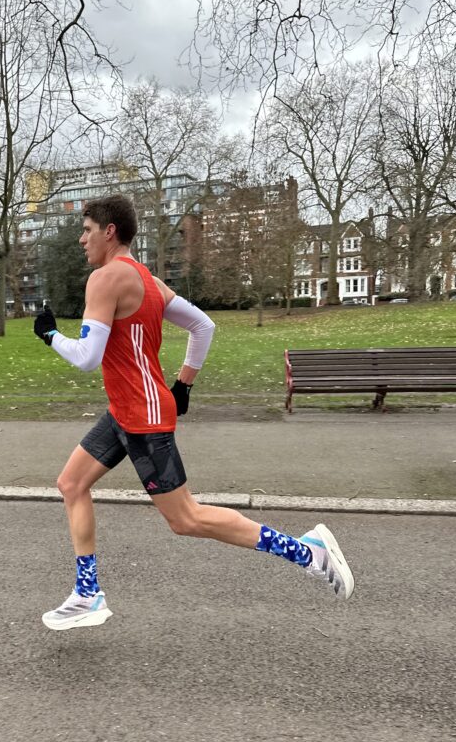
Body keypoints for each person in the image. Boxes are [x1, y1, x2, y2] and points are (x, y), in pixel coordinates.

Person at [34, 193, 355, 631]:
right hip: (127, 411)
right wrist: (183, 383)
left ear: (109, 232)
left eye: (86, 229)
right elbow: (204, 325)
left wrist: (50, 334)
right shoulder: (148, 280)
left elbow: (88, 356)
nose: (80, 239)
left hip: (143, 417)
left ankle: (307, 550)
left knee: (186, 518)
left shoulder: (106, 278)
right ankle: (88, 593)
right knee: (71, 483)